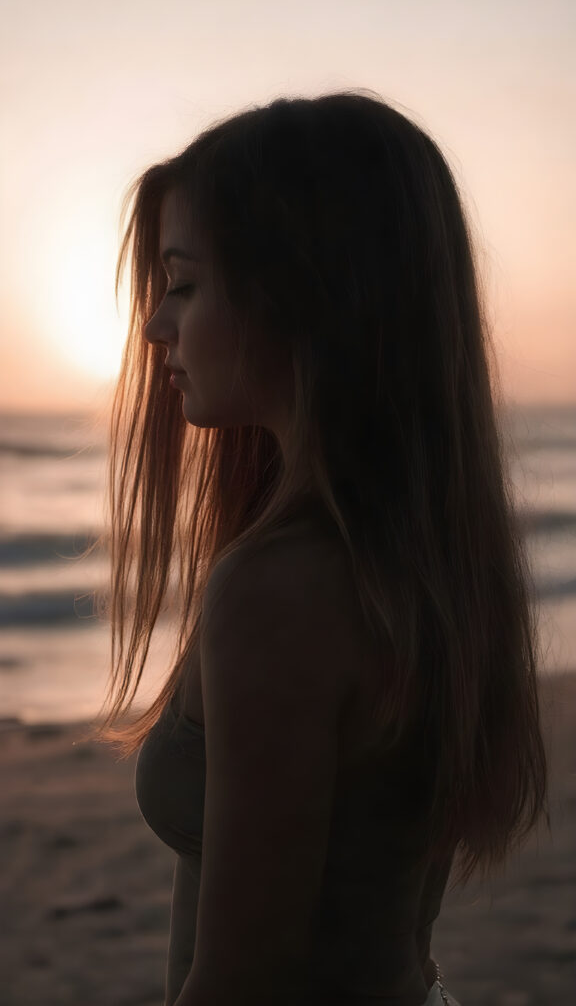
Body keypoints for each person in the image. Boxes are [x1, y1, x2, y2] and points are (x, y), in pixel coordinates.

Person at [89, 89, 550, 1006]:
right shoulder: (424, 559)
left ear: (301, 292)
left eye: (182, 283)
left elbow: (241, 983)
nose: (155, 327)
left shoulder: (280, 590)